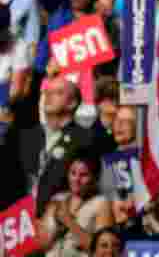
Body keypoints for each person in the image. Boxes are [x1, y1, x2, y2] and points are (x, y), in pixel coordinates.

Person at [15, 77, 115, 214]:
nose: (49, 96)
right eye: (46, 92)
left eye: (58, 92)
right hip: (19, 223)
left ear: (72, 103)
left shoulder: (86, 138)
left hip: (61, 220)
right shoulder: (26, 136)